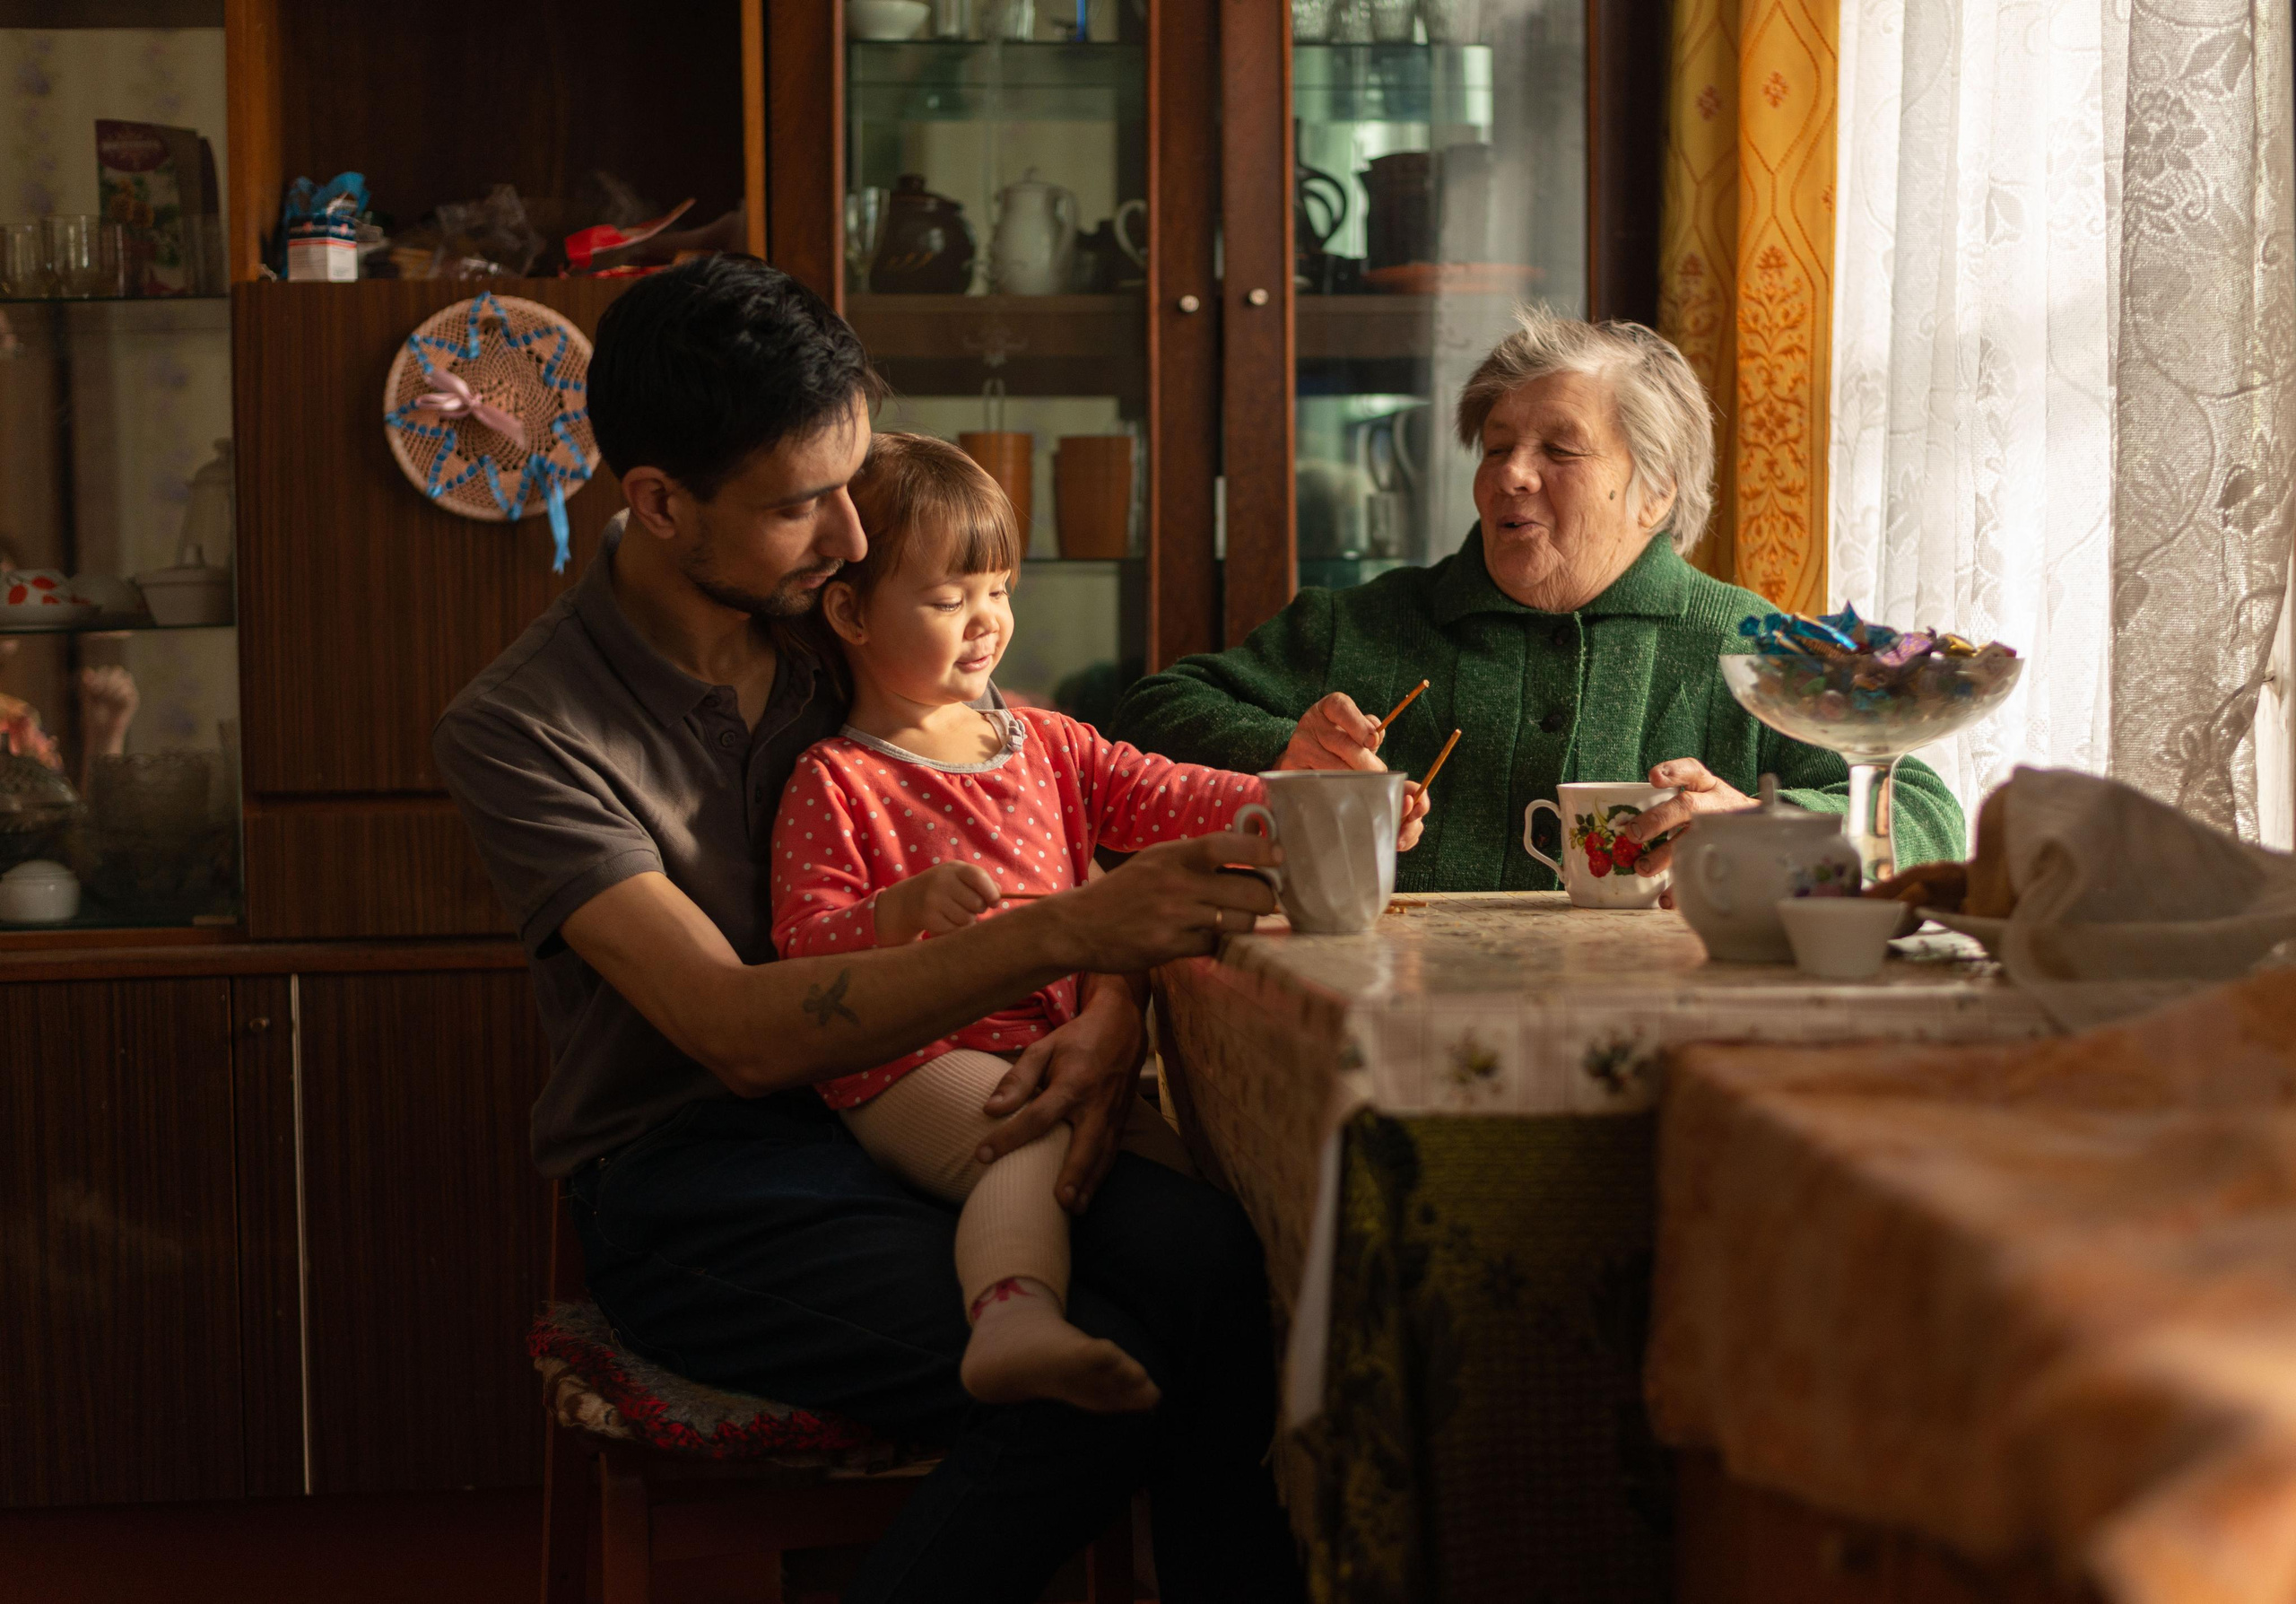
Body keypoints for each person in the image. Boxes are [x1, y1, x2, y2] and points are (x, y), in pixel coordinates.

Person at [433, 258, 1302, 1603]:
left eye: (850, 483)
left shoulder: (846, 637)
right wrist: (1074, 938)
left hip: (952, 1086)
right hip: (704, 1171)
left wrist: (1110, 1008)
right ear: (660, 505)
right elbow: (734, 1035)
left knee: (1213, 1268)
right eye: (799, 505)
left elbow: (1051, 820)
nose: (850, 535)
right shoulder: (530, 729)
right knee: (1094, 1381)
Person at [770, 433, 1425, 1421]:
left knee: (1211, 1193)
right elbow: (800, 951)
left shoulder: (1049, 742)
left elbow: (1174, 796)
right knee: (1032, 1134)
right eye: (948, 600)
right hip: (908, 1066)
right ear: (850, 612)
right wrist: (893, 914)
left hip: (1050, 1045)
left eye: (997, 590)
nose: (985, 623)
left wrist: (1319, 798)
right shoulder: (837, 778)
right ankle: (1010, 1319)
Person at [1109, 306, 1964, 891]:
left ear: (1656, 490)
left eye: (1560, 449)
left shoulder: (1753, 646)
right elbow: (1148, 718)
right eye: (1496, 447)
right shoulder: (1362, 624)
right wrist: (1286, 756)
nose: (1511, 475)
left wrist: (1763, 821)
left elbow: (1926, 816)